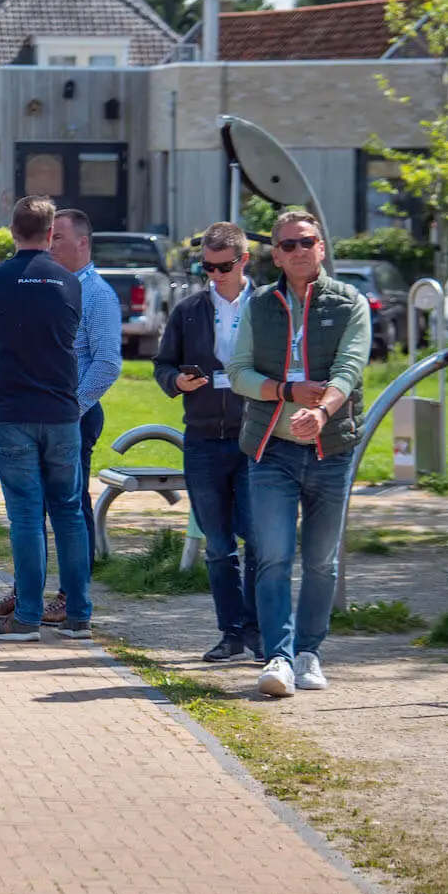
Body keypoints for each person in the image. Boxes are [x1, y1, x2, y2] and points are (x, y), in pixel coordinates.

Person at [227, 210, 371, 698]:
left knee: (321, 561)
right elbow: (239, 372)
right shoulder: (260, 305)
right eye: (286, 245)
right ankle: (279, 658)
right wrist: (288, 392)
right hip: (271, 450)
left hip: (331, 451)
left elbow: (350, 367)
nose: (297, 251)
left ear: (321, 246)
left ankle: (309, 652)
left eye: (305, 241)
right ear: (275, 254)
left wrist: (324, 411)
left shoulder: (348, 302)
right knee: (271, 556)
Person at [0, 208, 121, 627]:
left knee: (33, 513)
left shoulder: (90, 291)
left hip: (46, 411)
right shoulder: (69, 284)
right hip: (58, 412)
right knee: (66, 512)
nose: (56, 243)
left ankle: (32, 613)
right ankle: (72, 611)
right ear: (45, 233)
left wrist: (74, 405)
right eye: (52, 236)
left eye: (64, 237)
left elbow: (108, 362)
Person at [154, 221, 261, 662]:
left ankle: (259, 632)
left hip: (257, 439)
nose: (215, 276)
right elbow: (163, 366)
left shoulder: (267, 306)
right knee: (218, 547)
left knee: (259, 540)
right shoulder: (190, 310)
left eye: (223, 267)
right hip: (201, 440)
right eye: (207, 268)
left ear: (244, 261)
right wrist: (176, 381)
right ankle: (230, 633)